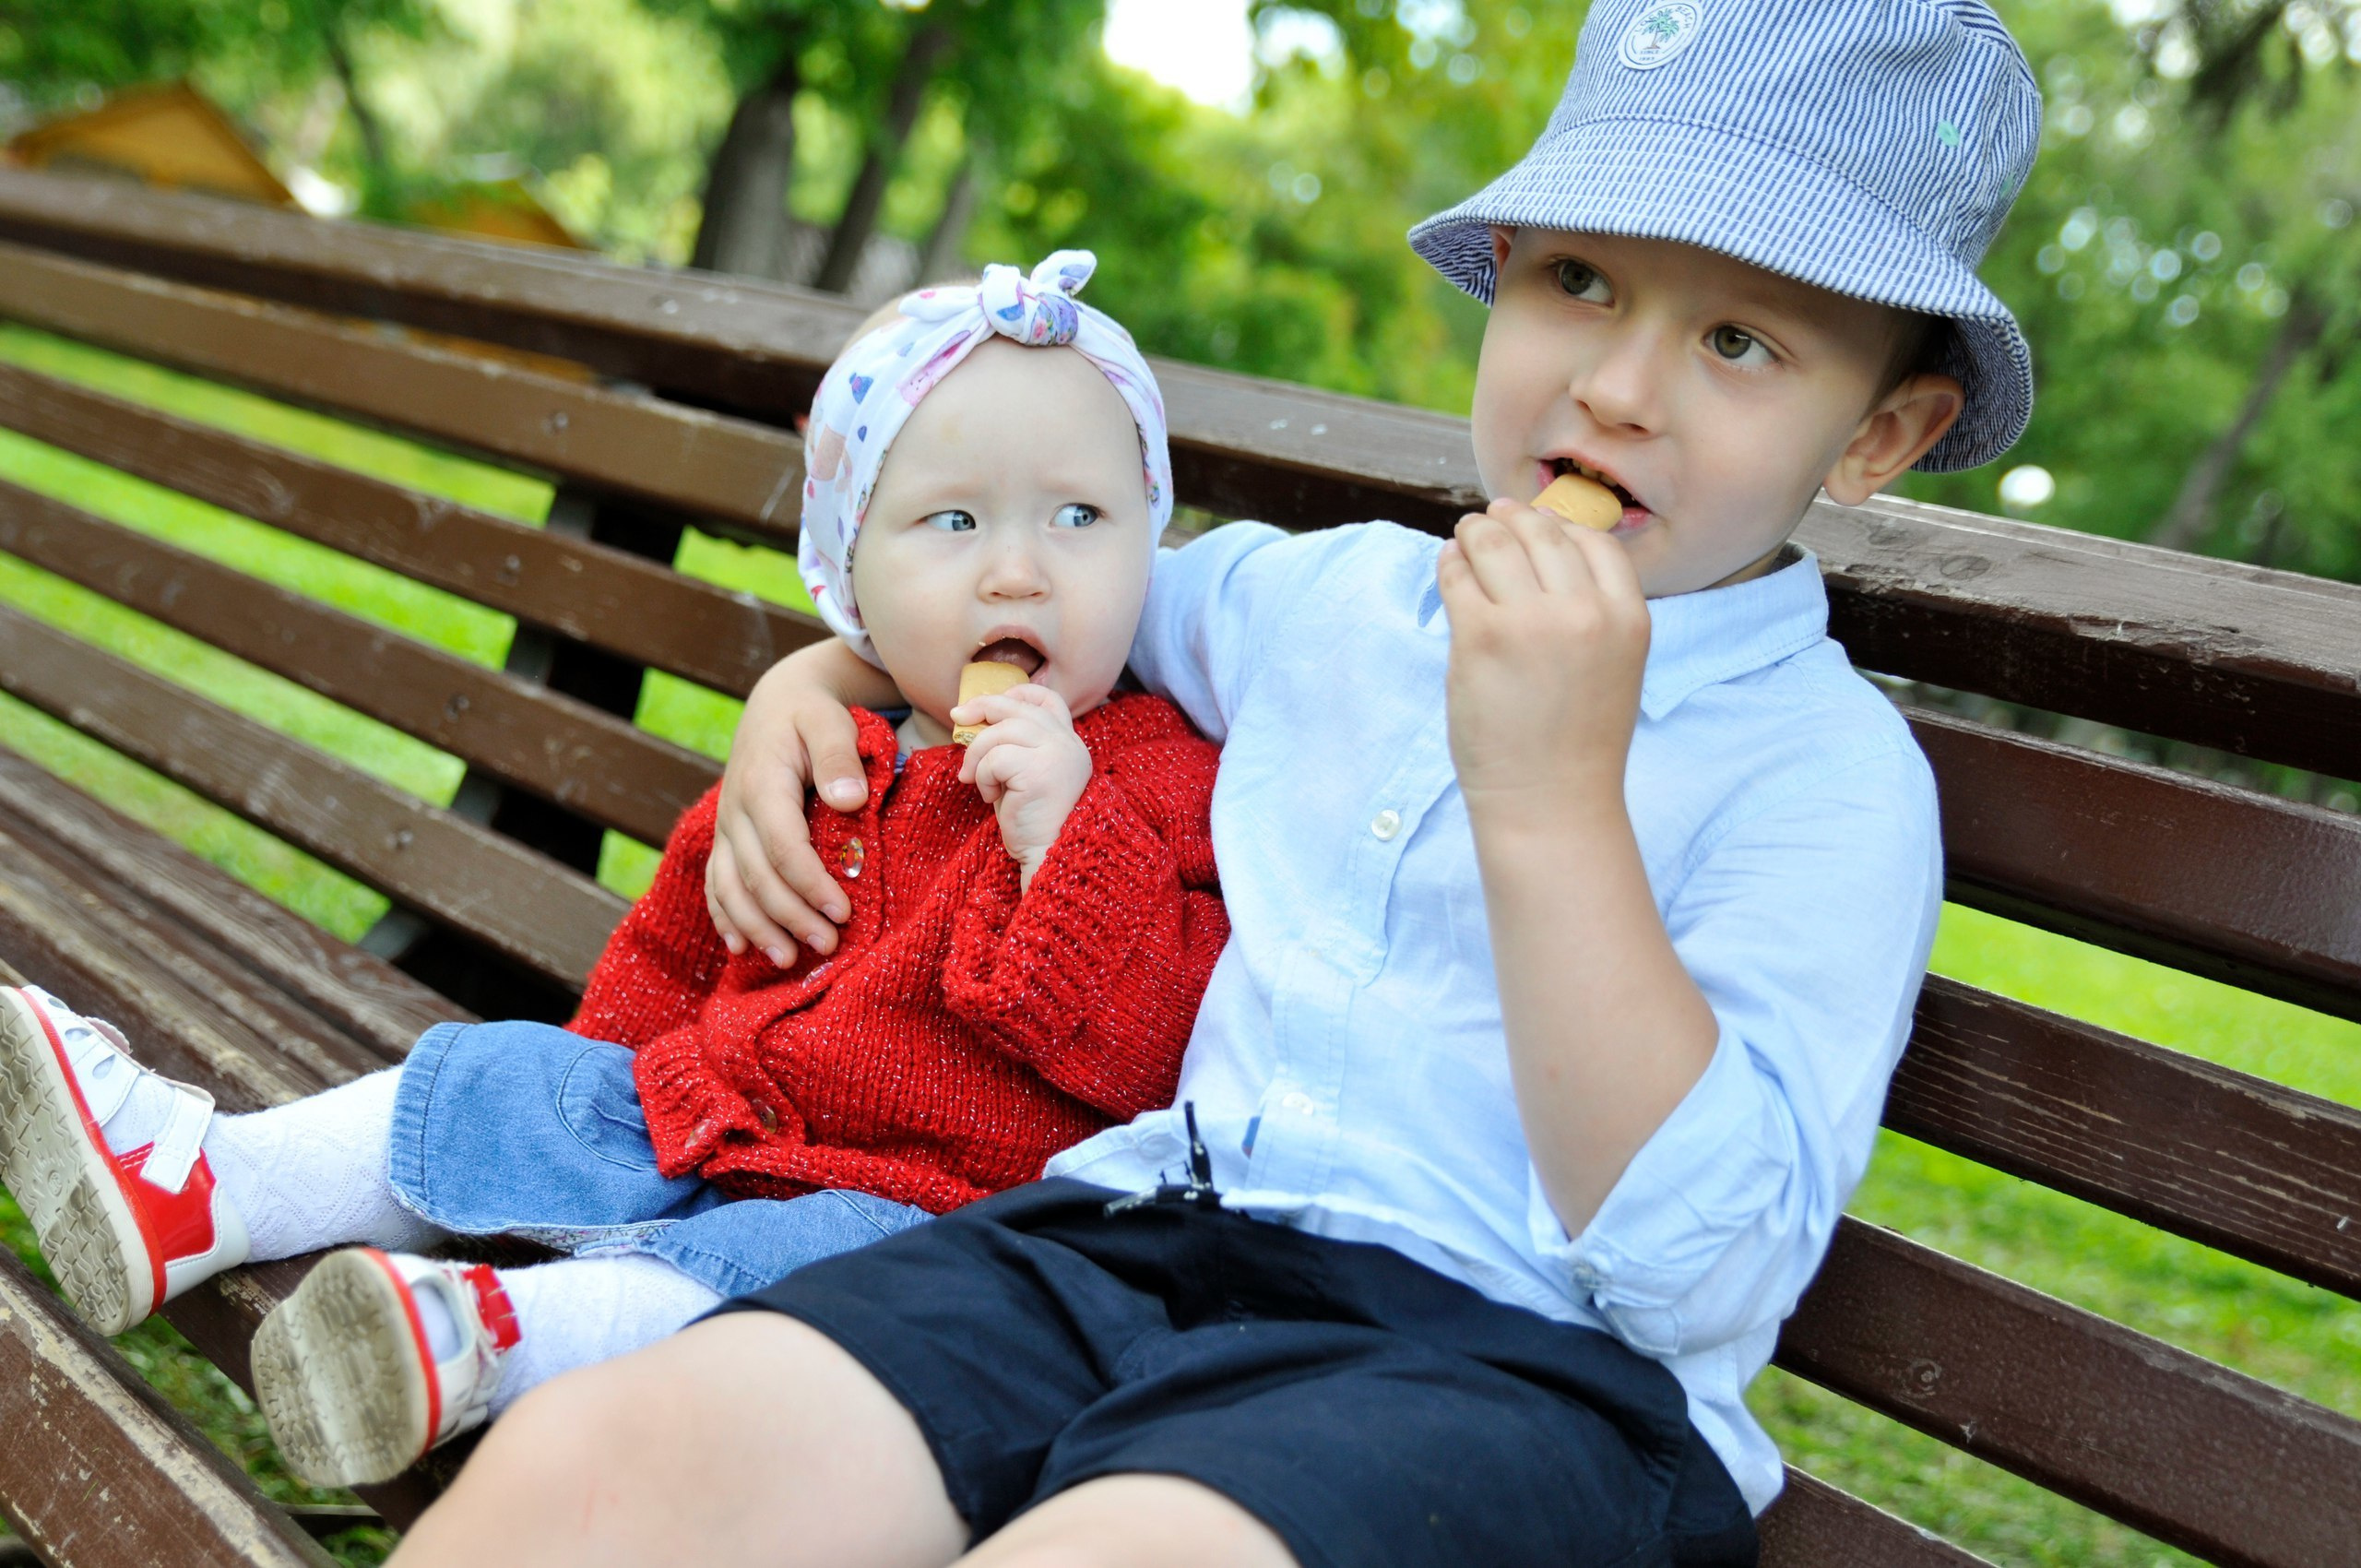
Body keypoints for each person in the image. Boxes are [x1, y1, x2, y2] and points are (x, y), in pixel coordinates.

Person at [389, 4, 2042, 1564]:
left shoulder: (1828, 781)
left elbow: (1705, 1268)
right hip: (1131, 1239)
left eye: (1740, 339)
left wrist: (1549, 801)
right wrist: (809, 678)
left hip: (1512, 1372)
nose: (1616, 386)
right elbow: (1025, 617)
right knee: (596, 1468)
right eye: (1584, 283)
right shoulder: (1316, 602)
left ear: (1881, 434)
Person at [0, 251, 1226, 1488]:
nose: (1020, 569)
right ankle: (200, 1182)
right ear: (851, 580)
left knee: (739, 1285)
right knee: (496, 1082)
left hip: (920, 1214)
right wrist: (578, 1117)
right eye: (954, 523)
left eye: (1081, 517)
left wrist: (1065, 839)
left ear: (1147, 540)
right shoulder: (822, 756)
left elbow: (1159, 1052)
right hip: (710, 1117)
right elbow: (674, 946)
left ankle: (482, 1341)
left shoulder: (1155, 780)